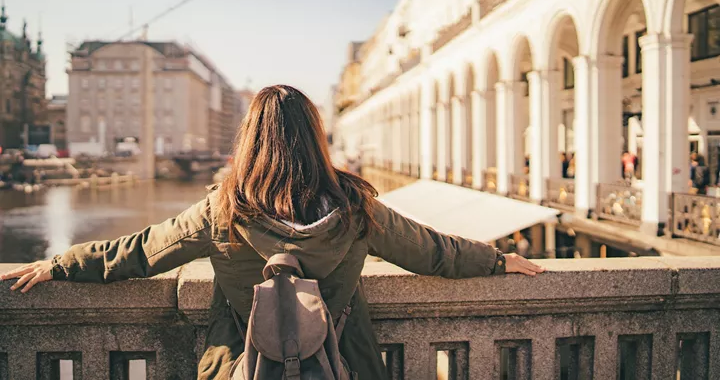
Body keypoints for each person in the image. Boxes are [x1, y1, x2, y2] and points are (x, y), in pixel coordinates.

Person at [0, 85, 544, 379]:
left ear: (250, 141)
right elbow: (430, 251)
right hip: (341, 366)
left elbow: (141, 251)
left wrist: (61, 264)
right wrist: (497, 261)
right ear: (315, 139)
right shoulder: (356, 209)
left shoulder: (224, 211)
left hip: (245, 366)